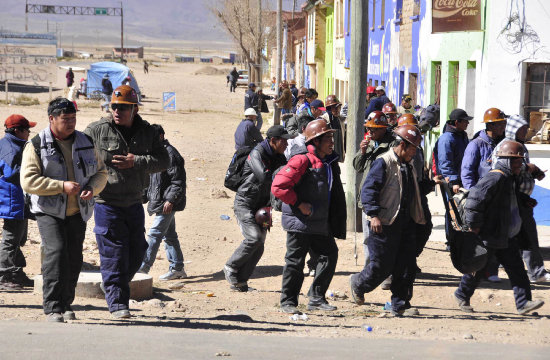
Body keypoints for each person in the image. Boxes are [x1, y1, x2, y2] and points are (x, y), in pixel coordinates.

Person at [84, 85, 169, 319]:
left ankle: (113, 284)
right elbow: (78, 156)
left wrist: (137, 161)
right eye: (114, 107)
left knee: (139, 251)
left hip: (133, 202)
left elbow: (164, 160)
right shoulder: (96, 130)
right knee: (115, 253)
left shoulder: (147, 131)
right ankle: (118, 303)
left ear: (134, 109)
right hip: (107, 202)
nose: (117, 111)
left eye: (123, 108)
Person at [21, 98, 108, 322]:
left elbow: (101, 173)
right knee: (56, 253)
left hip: (77, 211)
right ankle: (52, 306)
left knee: (73, 257)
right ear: (52, 119)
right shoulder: (37, 144)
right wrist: (60, 186)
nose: (71, 123)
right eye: (65, 119)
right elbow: (28, 181)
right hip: (48, 211)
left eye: (73, 118)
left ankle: (66, 303)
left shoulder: (85, 141)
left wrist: (92, 188)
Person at [454, 140, 544, 316]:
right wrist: (474, 228)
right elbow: (474, 201)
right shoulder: (495, 177)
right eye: (517, 162)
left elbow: (508, 197)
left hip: (505, 233)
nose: (520, 165)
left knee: (517, 269)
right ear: (507, 160)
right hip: (490, 234)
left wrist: (524, 200)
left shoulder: (508, 177)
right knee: (479, 268)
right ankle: (461, 294)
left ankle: (524, 302)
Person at [349, 125, 426, 317]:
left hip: (405, 223)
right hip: (384, 223)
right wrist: (373, 215)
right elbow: (368, 191)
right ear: (402, 145)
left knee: (406, 265)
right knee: (381, 266)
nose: (415, 153)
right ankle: (358, 283)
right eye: (413, 149)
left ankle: (400, 304)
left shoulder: (408, 165)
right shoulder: (383, 163)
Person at [272, 119, 346, 314]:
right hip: (300, 223)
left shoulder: (328, 162)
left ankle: (316, 298)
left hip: (319, 223)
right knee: (295, 262)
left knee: (329, 255)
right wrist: (298, 204)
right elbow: (279, 187)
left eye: (332, 137)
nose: (332, 141)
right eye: (328, 138)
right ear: (315, 141)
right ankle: (288, 302)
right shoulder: (302, 160)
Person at [223, 126, 290, 292]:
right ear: (273, 140)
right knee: (253, 238)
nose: (287, 144)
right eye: (284, 140)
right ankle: (230, 266)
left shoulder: (280, 157)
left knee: (259, 246)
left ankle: (241, 282)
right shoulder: (256, 153)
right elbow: (264, 176)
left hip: (262, 206)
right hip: (244, 203)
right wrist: (283, 171)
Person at [491, 115, 550, 283]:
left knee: (527, 235)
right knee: (507, 235)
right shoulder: (504, 146)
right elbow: (500, 166)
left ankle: (535, 272)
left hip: (522, 199)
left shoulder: (520, 146)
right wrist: (527, 167)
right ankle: (489, 271)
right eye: (522, 129)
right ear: (513, 130)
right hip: (510, 199)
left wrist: (533, 172)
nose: (525, 132)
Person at [461, 107, 507, 283]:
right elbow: (467, 172)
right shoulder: (476, 145)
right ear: (490, 125)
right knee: (480, 239)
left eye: (503, 123)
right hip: (481, 199)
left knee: (496, 235)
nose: (503, 126)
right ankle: (473, 275)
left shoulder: (502, 144)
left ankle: (491, 271)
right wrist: (473, 195)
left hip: (497, 199)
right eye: (500, 123)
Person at [139, 125, 187, 281]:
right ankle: (177, 268)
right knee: (170, 236)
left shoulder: (170, 154)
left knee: (154, 234)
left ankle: (142, 269)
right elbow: (152, 179)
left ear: (160, 136)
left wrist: (171, 200)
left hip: (167, 203)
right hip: (159, 201)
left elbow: (178, 180)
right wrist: (144, 196)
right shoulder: (156, 153)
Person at [0, 114, 37, 290]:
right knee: (11, 238)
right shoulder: (10, 148)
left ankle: (16, 273)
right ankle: (4, 274)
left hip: (16, 200)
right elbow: (10, 173)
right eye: (26, 130)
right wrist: (33, 167)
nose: (29, 133)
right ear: (17, 130)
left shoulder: (13, 144)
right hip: (12, 199)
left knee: (19, 238)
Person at [353, 111, 394, 267]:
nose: (370, 132)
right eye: (368, 129)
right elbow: (357, 167)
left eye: (373, 129)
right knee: (368, 237)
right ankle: (369, 269)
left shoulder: (392, 145)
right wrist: (362, 152)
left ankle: (383, 270)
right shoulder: (369, 143)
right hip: (368, 197)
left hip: (385, 197)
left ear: (383, 128)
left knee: (385, 237)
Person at [436, 109, 471, 249]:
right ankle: (451, 242)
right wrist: (454, 181)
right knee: (452, 211)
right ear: (457, 122)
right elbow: (445, 162)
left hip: (462, 179)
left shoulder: (462, 135)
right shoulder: (447, 138)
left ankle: (460, 239)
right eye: (465, 121)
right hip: (452, 182)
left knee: (461, 211)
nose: (468, 123)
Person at [322, 95, 345, 162]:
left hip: (338, 156)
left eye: (339, 107)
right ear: (329, 108)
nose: (337, 110)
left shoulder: (340, 120)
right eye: (335, 108)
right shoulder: (323, 120)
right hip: (327, 156)